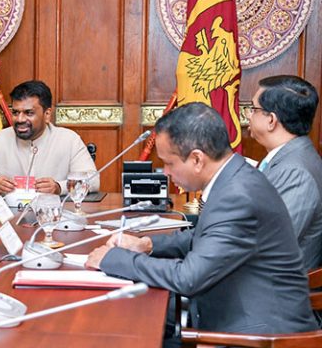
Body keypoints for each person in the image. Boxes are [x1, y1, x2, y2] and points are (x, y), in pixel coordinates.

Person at [86, 102, 316, 342]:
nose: (165, 173)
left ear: (197, 159)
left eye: (169, 163)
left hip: (258, 337)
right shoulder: (234, 177)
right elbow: (204, 237)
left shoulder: (238, 195)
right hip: (233, 315)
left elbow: (188, 278)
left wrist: (113, 259)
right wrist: (146, 245)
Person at [0, 80, 98, 195]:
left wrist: (59, 187)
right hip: (11, 216)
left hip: (54, 216)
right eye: (16, 112)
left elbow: (92, 180)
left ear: (47, 114)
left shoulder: (69, 140)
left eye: (29, 113)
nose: (20, 119)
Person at [247, 75, 322, 271]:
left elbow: (268, 245)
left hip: (273, 290)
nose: (248, 115)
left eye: (253, 109)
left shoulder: (296, 173)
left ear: (271, 120)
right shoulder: (285, 157)